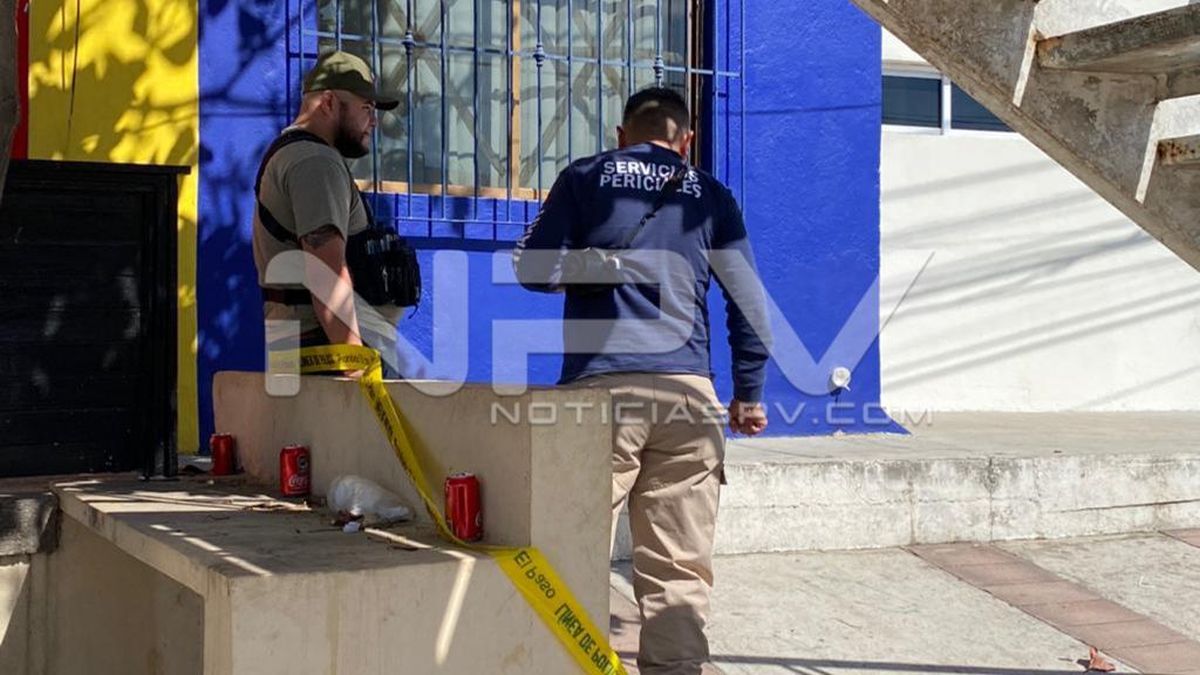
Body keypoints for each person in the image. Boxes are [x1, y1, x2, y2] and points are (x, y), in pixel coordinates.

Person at [513, 87, 771, 675]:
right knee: (678, 566)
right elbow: (750, 305)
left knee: (572, 548)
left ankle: (565, 662)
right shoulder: (712, 195)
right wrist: (748, 395)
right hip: (688, 395)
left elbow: (531, 267)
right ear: (688, 140)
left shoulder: (584, 177)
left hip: (599, 393)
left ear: (622, 135)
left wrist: (594, 265)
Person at [253, 50, 417, 376]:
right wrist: (357, 366)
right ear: (328, 102)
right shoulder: (315, 162)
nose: (374, 121)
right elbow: (326, 274)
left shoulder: (291, 153)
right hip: (328, 354)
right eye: (366, 108)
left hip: (309, 350)